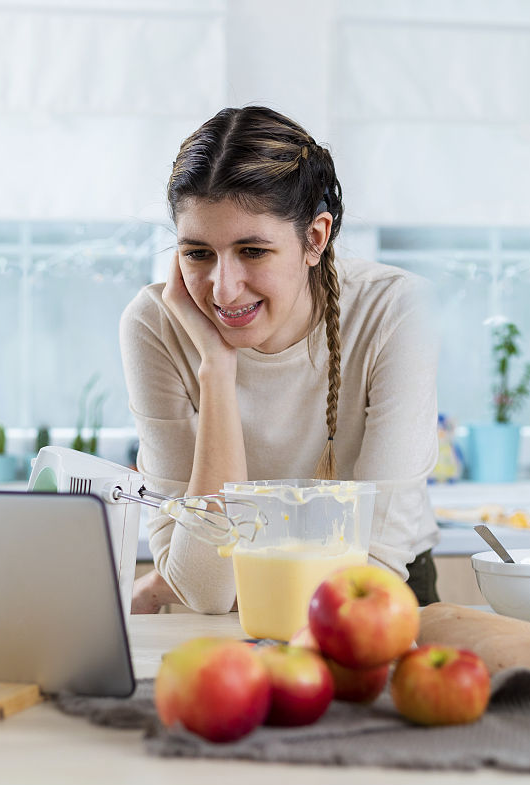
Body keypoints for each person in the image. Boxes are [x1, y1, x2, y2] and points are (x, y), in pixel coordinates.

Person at [121, 106, 439, 615]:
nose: (223, 290)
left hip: (371, 592)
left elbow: (371, 569)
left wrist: (194, 580)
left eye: (252, 250)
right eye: (197, 253)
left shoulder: (395, 311)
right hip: (225, 588)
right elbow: (205, 591)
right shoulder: (155, 325)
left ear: (315, 238)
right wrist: (217, 370)